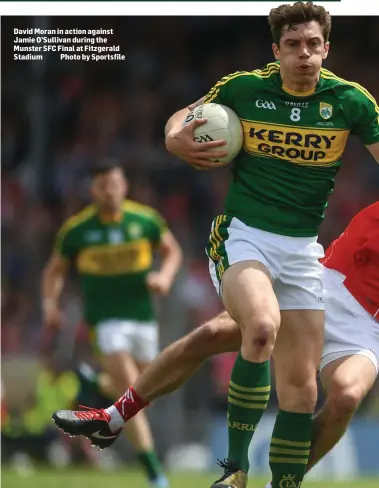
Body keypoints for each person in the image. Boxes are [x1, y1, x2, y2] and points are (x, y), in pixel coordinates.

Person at [52, 2, 379, 487]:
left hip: (303, 253)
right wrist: (173, 139)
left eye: (313, 45)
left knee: (300, 394)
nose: (304, 55)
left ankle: (272, 481)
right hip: (244, 236)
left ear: (326, 49)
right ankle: (235, 469)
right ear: (277, 50)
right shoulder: (244, 88)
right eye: (293, 45)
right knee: (262, 326)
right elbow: (183, 118)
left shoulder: (351, 102)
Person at [53, 201, 379, 487]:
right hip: (328, 289)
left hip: (367, 328)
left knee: (346, 396)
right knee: (210, 336)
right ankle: (113, 418)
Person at [44, 160, 182, 487]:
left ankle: (96, 384)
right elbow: (54, 271)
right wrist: (51, 304)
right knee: (132, 392)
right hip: (105, 321)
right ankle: (154, 472)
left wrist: (164, 276)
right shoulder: (77, 230)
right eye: (104, 185)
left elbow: (172, 250)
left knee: (148, 389)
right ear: (93, 190)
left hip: (143, 319)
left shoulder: (145, 220)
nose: (112, 191)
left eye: (116, 184)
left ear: (125, 186)